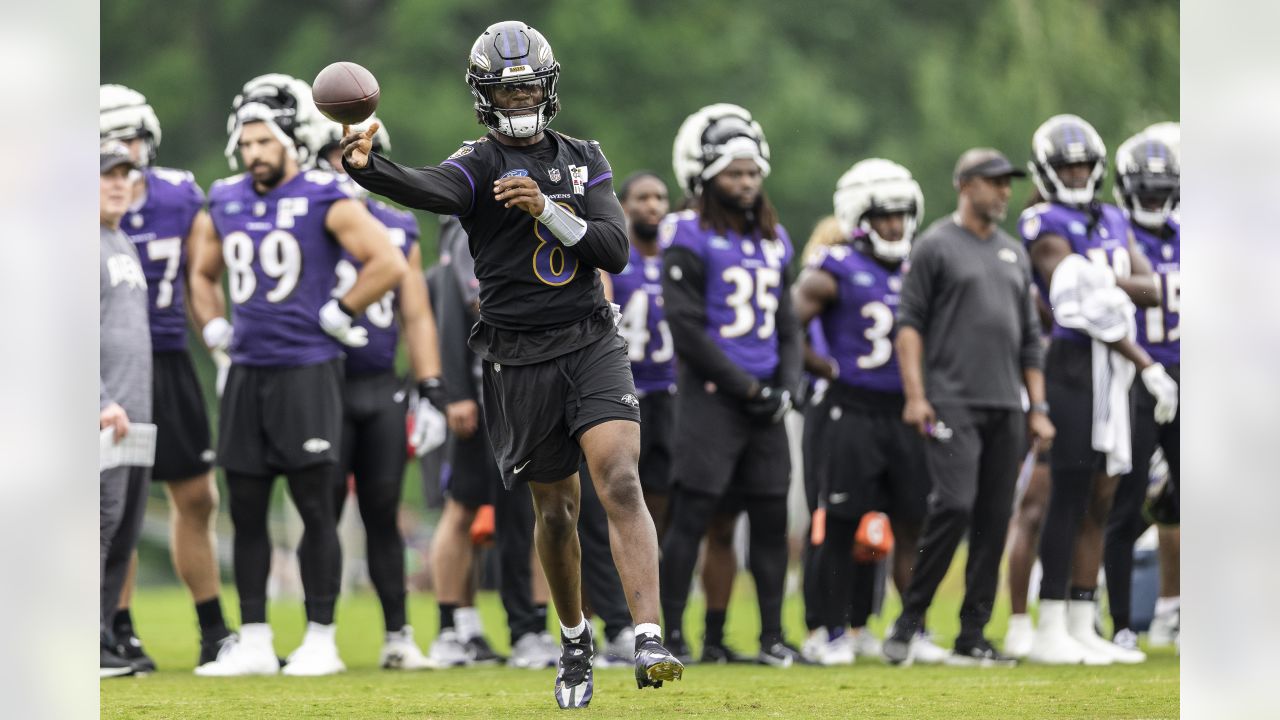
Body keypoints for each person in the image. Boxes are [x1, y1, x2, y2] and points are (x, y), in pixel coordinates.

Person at [339, 21, 682, 708]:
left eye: (528, 86)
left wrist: (549, 211)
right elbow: (428, 188)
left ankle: (647, 633)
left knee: (619, 475)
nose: (520, 98)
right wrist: (365, 166)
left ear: (547, 89)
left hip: (590, 339)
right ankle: (575, 637)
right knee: (554, 512)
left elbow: (614, 249)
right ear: (484, 95)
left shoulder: (584, 157)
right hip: (517, 356)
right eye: (507, 88)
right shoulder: (479, 163)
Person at [190, 73, 407, 677]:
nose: (254, 152)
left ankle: (320, 636)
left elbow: (387, 262)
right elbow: (201, 274)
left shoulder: (322, 193)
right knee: (249, 507)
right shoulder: (226, 197)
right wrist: (213, 329)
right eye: (247, 142)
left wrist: (340, 310)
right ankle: (255, 637)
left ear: (290, 140)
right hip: (247, 372)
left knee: (316, 505)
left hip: (307, 370)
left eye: (265, 141)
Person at [881, 148, 1051, 667]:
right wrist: (915, 395)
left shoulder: (1012, 252)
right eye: (993, 182)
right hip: (952, 399)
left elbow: (1029, 338)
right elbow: (909, 325)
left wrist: (1038, 406)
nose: (1004, 191)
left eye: (1007, 183)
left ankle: (972, 633)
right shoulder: (935, 245)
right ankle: (910, 619)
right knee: (953, 504)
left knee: (995, 516)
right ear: (964, 185)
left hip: (1006, 404)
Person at [1018, 114, 1177, 665]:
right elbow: (1073, 301)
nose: (1078, 172)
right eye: (1068, 165)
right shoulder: (1043, 220)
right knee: (1067, 492)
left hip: (1114, 368)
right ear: (1047, 171)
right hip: (1069, 363)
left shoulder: (1111, 215)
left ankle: (1084, 621)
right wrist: (1111, 284)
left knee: (1104, 494)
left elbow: (1151, 289)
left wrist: (1101, 278)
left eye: (1085, 164)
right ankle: (1050, 623)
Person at [659, 103, 805, 667]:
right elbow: (687, 330)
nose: (745, 183)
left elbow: (787, 323)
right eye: (733, 174)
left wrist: (785, 386)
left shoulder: (775, 237)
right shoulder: (688, 233)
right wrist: (747, 388)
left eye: (751, 173)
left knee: (770, 520)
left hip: (766, 402)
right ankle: (672, 635)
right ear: (706, 176)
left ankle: (768, 636)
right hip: (713, 400)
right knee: (693, 518)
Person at [99, 84, 233, 674]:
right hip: (111, 362)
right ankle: (115, 628)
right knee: (114, 499)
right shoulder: (85, 204)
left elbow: (205, 271)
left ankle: (212, 629)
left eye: (130, 139)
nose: (124, 154)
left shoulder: (179, 195)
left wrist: (222, 338)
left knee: (197, 494)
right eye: (109, 144)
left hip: (169, 355)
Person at [310, 116, 449, 669]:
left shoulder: (398, 226)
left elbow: (415, 312)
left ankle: (398, 635)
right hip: (319, 381)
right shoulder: (313, 215)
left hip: (378, 385)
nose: (339, 167)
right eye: (330, 155)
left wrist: (431, 385)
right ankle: (318, 636)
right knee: (319, 510)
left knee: (383, 511)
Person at [792, 159, 932, 665]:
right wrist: (823, 368)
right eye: (884, 216)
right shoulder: (835, 266)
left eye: (901, 216)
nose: (895, 226)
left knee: (914, 521)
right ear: (859, 216)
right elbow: (786, 321)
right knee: (841, 520)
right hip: (849, 408)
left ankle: (913, 627)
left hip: (906, 410)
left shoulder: (922, 267)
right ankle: (827, 630)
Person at [1103, 128, 1181, 652]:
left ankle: (1183, 613)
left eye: (1162, 190)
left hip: (1188, 375)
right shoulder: (1113, 232)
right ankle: (1122, 624)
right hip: (1130, 378)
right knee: (1123, 501)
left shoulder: (1192, 230)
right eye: (1145, 191)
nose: (1153, 200)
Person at [99, 141, 153, 678]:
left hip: (134, 414)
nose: (118, 183)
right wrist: (96, 401)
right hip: (102, 415)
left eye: (124, 175)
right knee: (93, 527)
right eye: (106, 175)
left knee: (122, 531)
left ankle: (103, 637)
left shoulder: (122, 241)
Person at [611, 171, 676, 534]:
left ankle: (656, 571)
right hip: (623, 389)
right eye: (643, 198)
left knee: (662, 486)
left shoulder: (677, 260)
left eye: (660, 198)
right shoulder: (615, 257)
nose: (653, 206)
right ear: (624, 206)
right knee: (620, 484)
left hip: (669, 389)